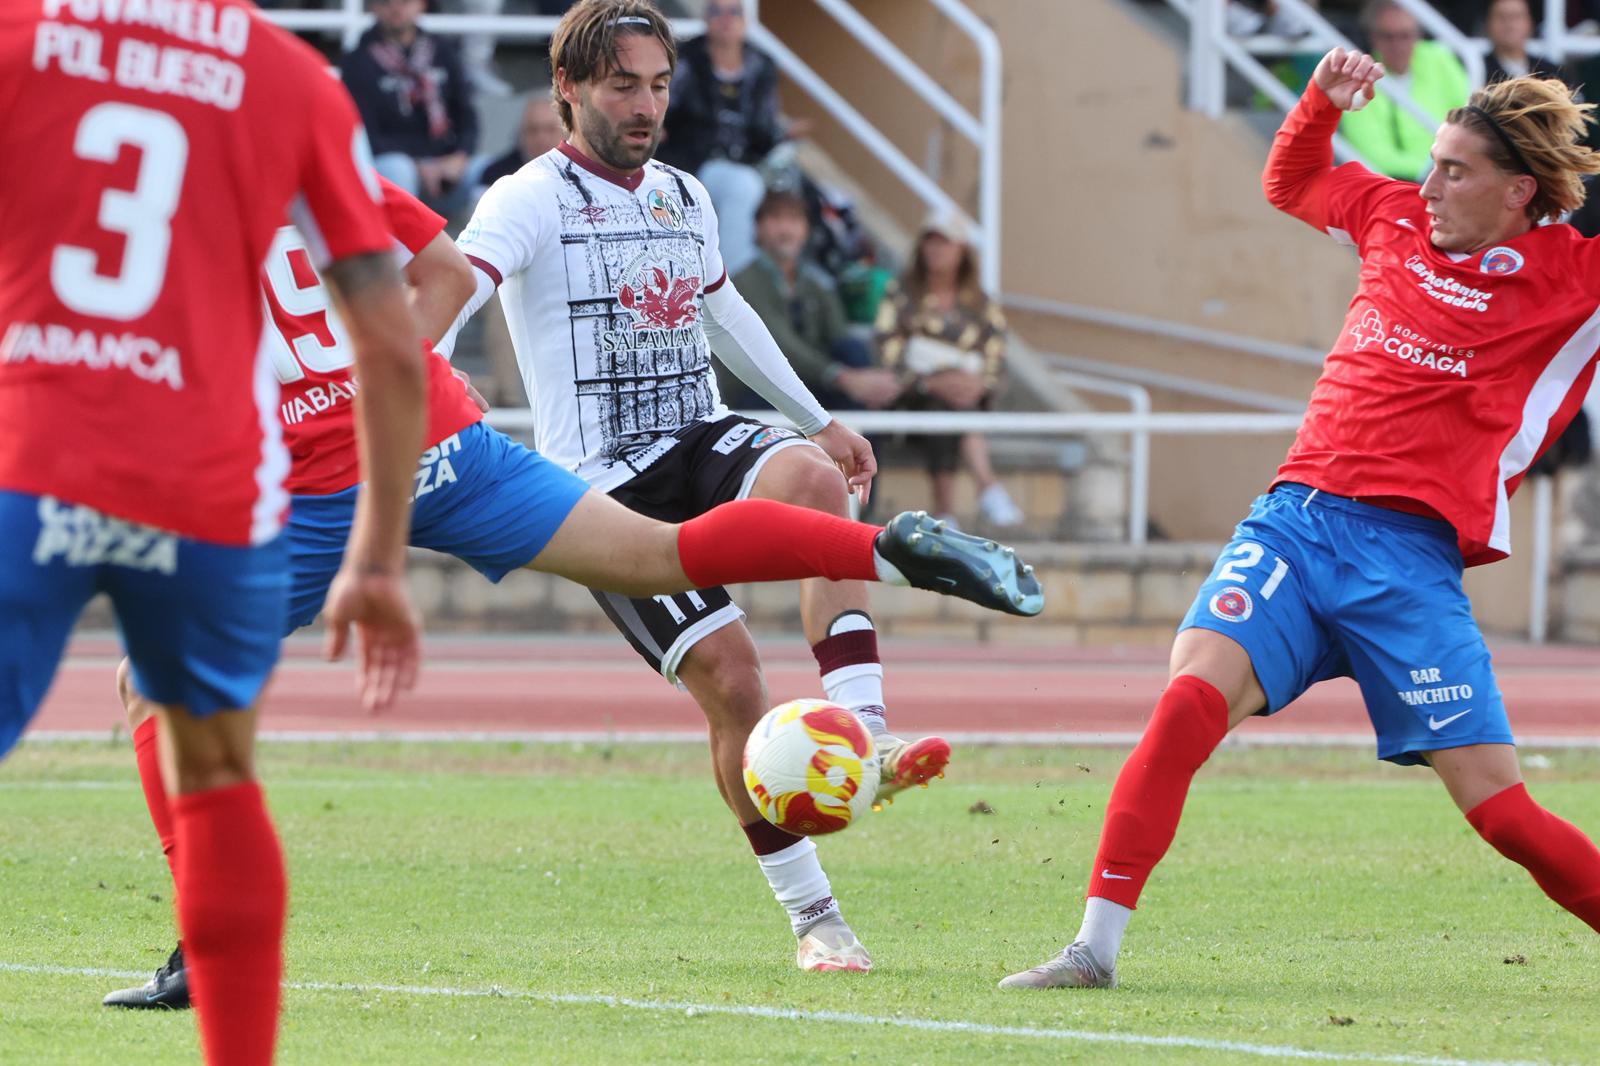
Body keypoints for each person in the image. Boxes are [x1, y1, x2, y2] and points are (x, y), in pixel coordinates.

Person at [101, 176, 1044, 1009]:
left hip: (318, 489)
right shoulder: (310, 158)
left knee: (152, 682)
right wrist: (385, 376)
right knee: (665, 556)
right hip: (451, 443)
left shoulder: (142, 209)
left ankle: (208, 954)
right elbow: (442, 272)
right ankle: (885, 548)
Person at [1001, 49, 1600, 992]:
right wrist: (1320, 101)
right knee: (1188, 704)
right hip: (1298, 521)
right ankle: (1093, 949)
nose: (1429, 182)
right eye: (1432, 161)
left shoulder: (1576, 278)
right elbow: (1293, 179)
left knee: (1500, 811)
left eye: (1455, 169)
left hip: (1409, 561)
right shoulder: (1393, 214)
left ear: (1521, 190)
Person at [444, 0, 996, 973]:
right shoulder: (526, 198)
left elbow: (723, 310)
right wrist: (433, 376)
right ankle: (817, 920)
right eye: (623, 85)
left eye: (658, 84)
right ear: (566, 88)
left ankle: (865, 733)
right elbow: (456, 283)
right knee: (735, 685)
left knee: (815, 482)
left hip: (699, 435)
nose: (645, 105)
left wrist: (817, 415)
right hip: (604, 494)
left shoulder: (682, 195)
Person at [1, 2, 431, 1061]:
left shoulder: (18, 38)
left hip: (34, 451)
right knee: (218, 778)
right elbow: (387, 338)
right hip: (210, 482)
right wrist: (376, 561)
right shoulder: (294, 80)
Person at [875, 210, 1024, 529]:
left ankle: (948, 512)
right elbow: (887, 349)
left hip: (966, 398)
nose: (936, 250)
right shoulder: (901, 293)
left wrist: (978, 384)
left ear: (962, 251)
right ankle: (985, 489)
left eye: (945, 242)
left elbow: (996, 354)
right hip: (913, 398)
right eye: (930, 241)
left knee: (954, 405)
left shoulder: (980, 303)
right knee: (942, 405)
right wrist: (930, 381)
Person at [715, 190, 902, 413]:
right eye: (775, 219)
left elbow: (839, 334)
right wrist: (841, 377)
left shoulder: (813, 284)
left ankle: (869, 437)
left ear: (806, 229)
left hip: (809, 383)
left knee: (852, 350)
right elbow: (777, 344)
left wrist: (871, 379)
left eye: (794, 219)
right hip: (758, 389)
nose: (785, 229)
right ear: (758, 228)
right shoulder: (743, 282)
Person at [657, 0, 789, 276]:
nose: (726, 19)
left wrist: (780, 136)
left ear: (746, 22)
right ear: (706, 19)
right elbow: (662, 105)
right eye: (717, 11)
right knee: (743, 186)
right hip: (691, 160)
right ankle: (729, 278)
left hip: (749, 159)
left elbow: (765, 125)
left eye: (734, 12)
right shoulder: (686, 58)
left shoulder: (761, 64)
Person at [341, 0, 480, 214]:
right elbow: (364, 133)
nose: (396, 9)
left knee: (486, 173)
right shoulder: (358, 60)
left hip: (446, 162)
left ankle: (478, 247)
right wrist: (418, 165)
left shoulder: (443, 51)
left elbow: (467, 116)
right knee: (399, 169)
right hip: (392, 163)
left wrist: (460, 156)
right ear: (374, 7)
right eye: (387, 3)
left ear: (421, 5)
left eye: (405, 2)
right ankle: (400, 248)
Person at [1340, 0, 1469, 180]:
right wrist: (1439, 167)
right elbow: (1375, 154)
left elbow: (1469, 111)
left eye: (1404, 35)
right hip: (1402, 182)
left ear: (1418, 35)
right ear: (1372, 37)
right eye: (1387, 36)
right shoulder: (1359, 78)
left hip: (1451, 171)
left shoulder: (1439, 58)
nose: (1397, 45)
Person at [476, 95, 566, 190]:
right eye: (533, 130)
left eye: (551, 129)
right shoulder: (495, 175)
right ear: (521, 134)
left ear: (566, 133)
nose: (541, 138)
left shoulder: (577, 172)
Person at [1484, 0, 1567, 85]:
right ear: (1488, 23)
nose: (1509, 24)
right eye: (1501, 17)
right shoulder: (1478, 70)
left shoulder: (1552, 73)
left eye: (1517, 17)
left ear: (1530, 22)